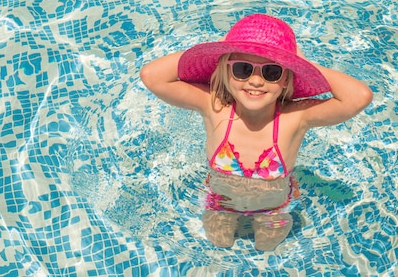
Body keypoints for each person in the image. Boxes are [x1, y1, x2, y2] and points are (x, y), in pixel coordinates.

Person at [139, 14, 373, 251]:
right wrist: (222, 47)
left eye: (271, 72)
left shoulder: (294, 118)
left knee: (266, 247)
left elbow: (359, 97)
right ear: (225, 72)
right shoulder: (216, 108)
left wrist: (303, 62)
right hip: (220, 203)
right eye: (242, 69)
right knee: (219, 242)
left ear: (286, 79)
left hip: (274, 209)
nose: (256, 81)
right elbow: (152, 76)